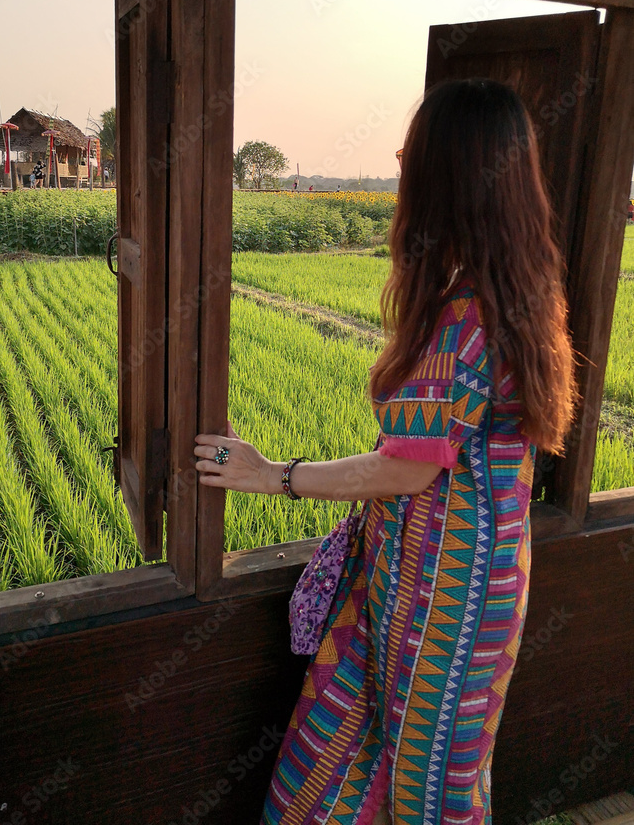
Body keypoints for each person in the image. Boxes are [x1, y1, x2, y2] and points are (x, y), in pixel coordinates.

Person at [194, 78, 577, 825]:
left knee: (430, 789)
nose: (400, 167)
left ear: (445, 176)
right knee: (357, 750)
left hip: (444, 600)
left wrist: (273, 475)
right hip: (447, 580)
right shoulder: (521, 290)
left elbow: (407, 465)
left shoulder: (466, 313)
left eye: (411, 154)